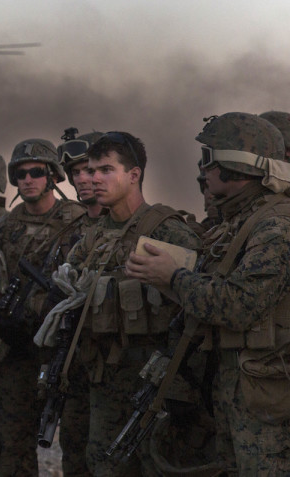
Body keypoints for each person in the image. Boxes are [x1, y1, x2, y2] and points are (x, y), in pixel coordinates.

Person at [125, 113, 290, 475]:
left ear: (234, 166)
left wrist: (173, 277)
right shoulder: (238, 222)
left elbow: (240, 305)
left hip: (267, 396)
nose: (203, 171)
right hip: (237, 389)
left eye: (208, 159)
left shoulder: (275, 225)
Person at [56, 131, 201, 476]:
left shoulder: (166, 231)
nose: (94, 179)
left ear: (134, 175)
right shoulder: (92, 238)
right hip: (104, 383)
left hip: (156, 388)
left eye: (106, 170)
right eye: (90, 171)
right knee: (103, 465)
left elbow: (199, 308)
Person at [0, 138, 91, 476]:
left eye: (36, 172)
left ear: (53, 176)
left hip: (68, 354)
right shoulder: (0, 229)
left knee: (80, 445)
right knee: (12, 444)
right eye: (20, 174)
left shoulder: (80, 223)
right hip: (17, 352)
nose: (27, 179)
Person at [54, 131, 105, 476]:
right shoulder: (69, 232)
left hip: (118, 365)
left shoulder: (139, 226)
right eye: (75, 172)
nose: (81, 179)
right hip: (75, 363)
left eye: (89, 170)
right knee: (74, 451)